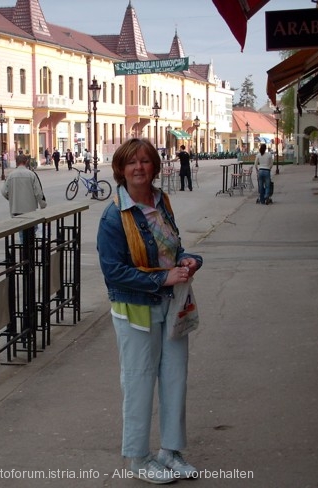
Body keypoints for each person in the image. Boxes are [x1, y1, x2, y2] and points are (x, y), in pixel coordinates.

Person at [97, 138, 203, 484]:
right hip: (136, 311)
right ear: (121, 170)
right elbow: (114, 272)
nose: (139, 168)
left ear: (155, 166)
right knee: (139, 382)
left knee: (175, 378)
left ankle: (170, 451)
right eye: (132, 163)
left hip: (172, 305)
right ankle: (139, 458)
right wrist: (163, 277)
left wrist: (188, 260)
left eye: (145, 161)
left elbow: (171, 247)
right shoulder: (115, 215)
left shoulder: (162, 202)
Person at [1, 153, 47, 218]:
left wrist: (12, 199)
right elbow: (38, 192)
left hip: (15, 209)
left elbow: (4, 191)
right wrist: (43, 205)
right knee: (30, 227)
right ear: (26, 162)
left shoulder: (10, 175)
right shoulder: (32, 175)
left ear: (16, 162)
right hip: (30, 210)